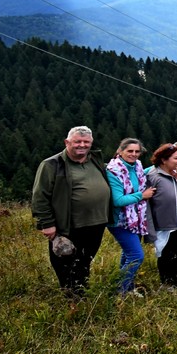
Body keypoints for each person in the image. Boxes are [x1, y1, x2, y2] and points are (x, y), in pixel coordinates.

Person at [31, 125, 112, 297]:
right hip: (69, 225)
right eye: (77, 141)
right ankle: (70, 296)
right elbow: (40, 197)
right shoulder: (52, 164)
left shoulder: (95, 160)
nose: (82, 145)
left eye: (86, 142)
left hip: (97, 222)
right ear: (67, 142)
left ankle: (81, 291)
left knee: (85, 260)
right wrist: (47, 224)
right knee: (65, 260)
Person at [104, 138, 153, 295]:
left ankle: (126, 285)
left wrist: (158, 165)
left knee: (128, 254)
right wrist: (142, 195)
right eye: (130, 151)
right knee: (136, 256)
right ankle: (120, 290)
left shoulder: (136, 166)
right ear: (120, 151)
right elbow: (118, 200)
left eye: (137, 151)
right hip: (120, 221)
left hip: (135, 218)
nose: (133, 154)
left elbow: (139, 176)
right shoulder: (114, 171)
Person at [146, 142, 177, 290]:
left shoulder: (171, 173)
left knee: (176, 254)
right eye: (175, 158)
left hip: (176, 222)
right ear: (163, 160)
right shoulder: (155, 176)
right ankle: (167, 285)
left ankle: (176, 284)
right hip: (163, 223)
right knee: (165, 254)